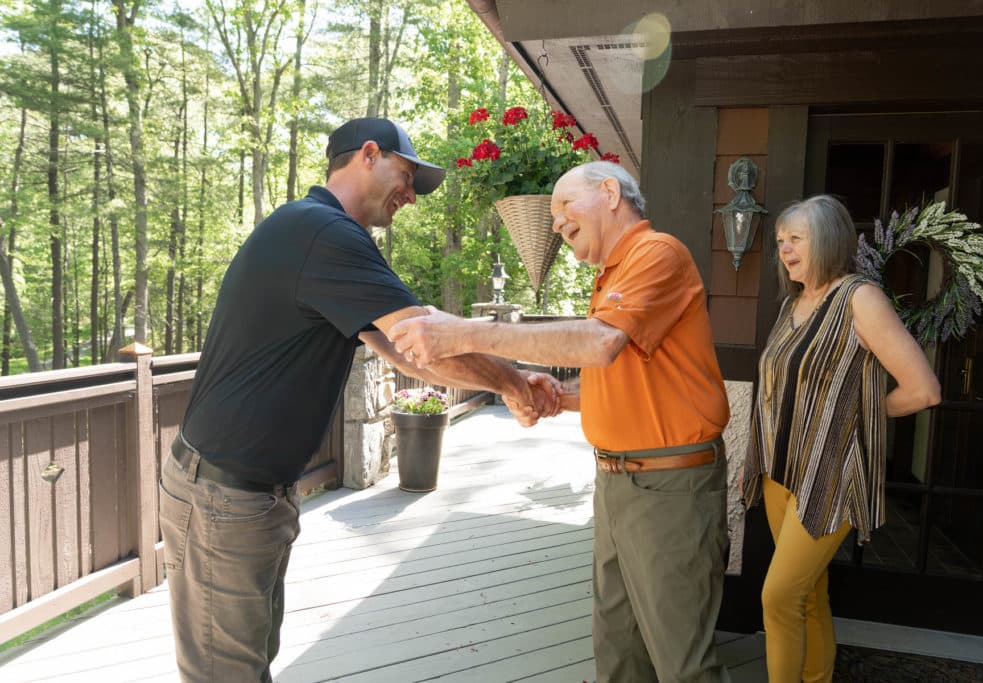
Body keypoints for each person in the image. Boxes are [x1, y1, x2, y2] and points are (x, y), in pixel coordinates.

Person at [158, 117, 557, 682]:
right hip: (224, 496)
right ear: (369, 154)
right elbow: (425, 336)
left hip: (250, 496)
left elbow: (407, 349)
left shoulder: (323, 235)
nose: (412, 196)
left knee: (244, 666)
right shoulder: (322, 233)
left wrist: (508, 380)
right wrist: (515, 384)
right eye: (408, 175)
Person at [389, 160, 732, 682]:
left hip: (669, 488)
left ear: (611, 193)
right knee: (619, 654)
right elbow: (631, 377)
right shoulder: (613, 275)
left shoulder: (656, 253)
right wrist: (559, 397)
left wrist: (465, 333)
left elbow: (599, 342)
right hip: (618, 484)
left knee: (684, 666)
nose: (555, 222)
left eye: (564, 205)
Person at [740, 195, 941, 683]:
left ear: (828, 240)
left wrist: (858, 415)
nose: (784, 250)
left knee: (779, 596)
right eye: (782, 241)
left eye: (797, 239)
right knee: (810, 594)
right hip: (780, 471)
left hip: (830, 474)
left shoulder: (860, 298)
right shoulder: (794, 303)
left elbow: (923, 390)